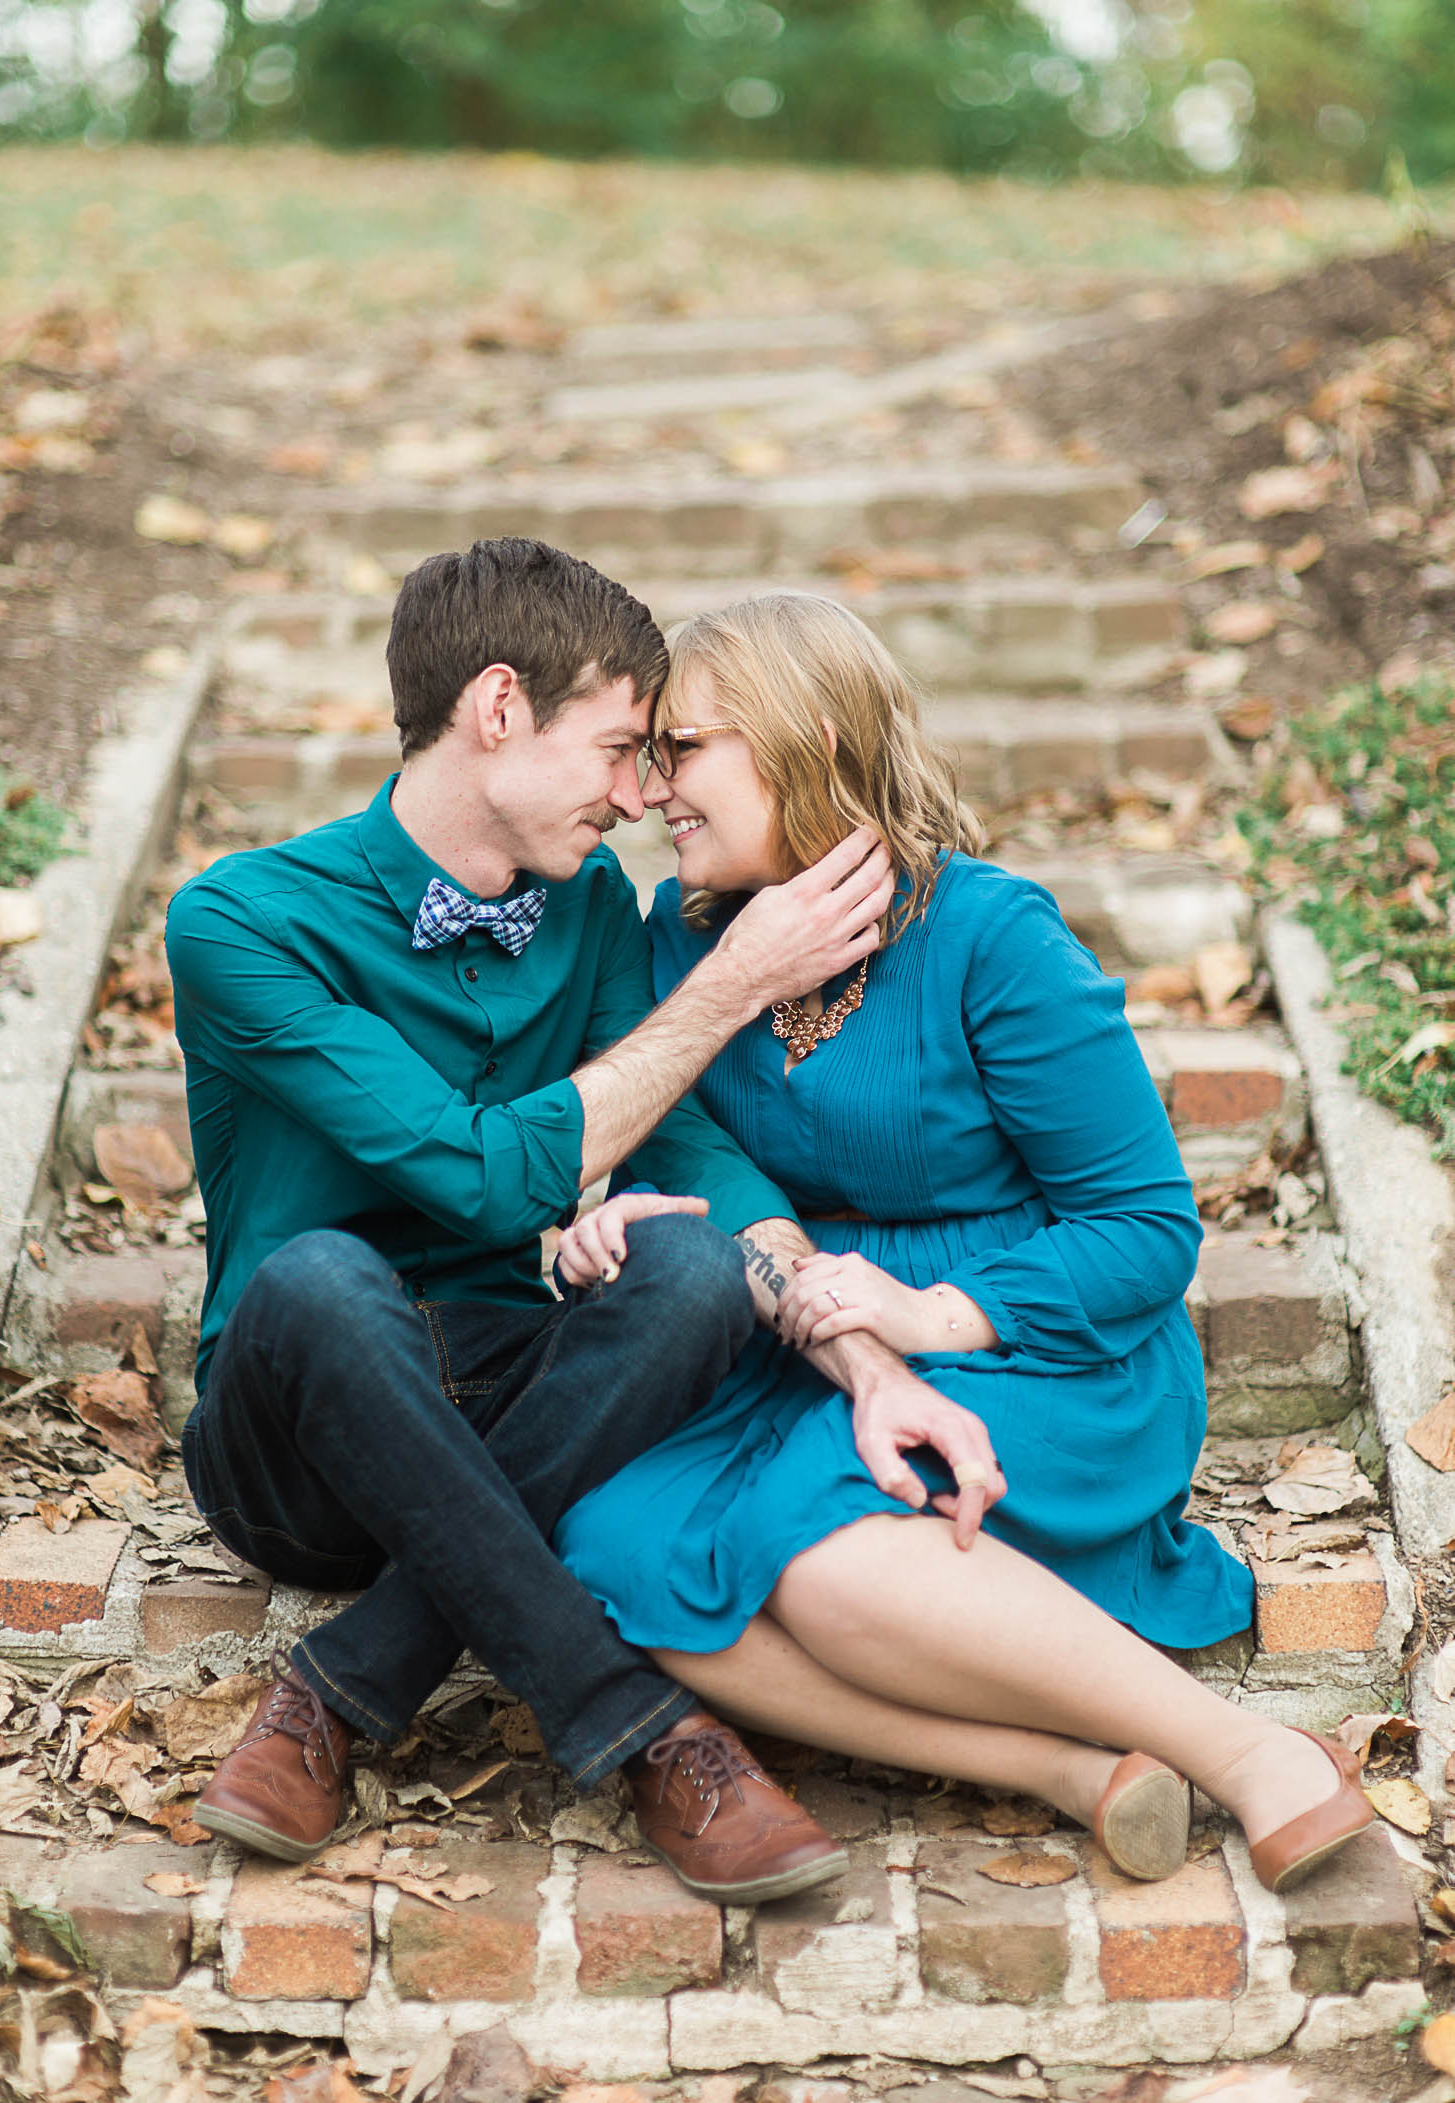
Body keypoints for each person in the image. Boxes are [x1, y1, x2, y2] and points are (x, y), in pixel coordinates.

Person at [554, 591, 1375, 1894]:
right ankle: (1061, 1770)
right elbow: (706, 1178)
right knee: (609, 1553)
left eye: (686, 748)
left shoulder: (991, 938)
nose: (656, 788)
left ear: (806, 738)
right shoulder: (679, 952)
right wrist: (844, 1322)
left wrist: (930, 1315)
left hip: (1044, 1344)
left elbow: (1148, 1230)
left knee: (818, 1567)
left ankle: (1247, 1756)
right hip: (808, 1351)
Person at [164, 538, 920, 1905]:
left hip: (520, 1398)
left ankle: (339, 1689)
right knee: (325, 1280)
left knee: (694, 1269)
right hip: (297, 1441)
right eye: (623, 748)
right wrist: (732, 986)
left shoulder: (581, 919)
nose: (643, 798)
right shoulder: (242, 919)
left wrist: (839, 1327)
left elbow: (682, 1134)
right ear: (498, 708)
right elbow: (475, 1178)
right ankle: (645, 1732)